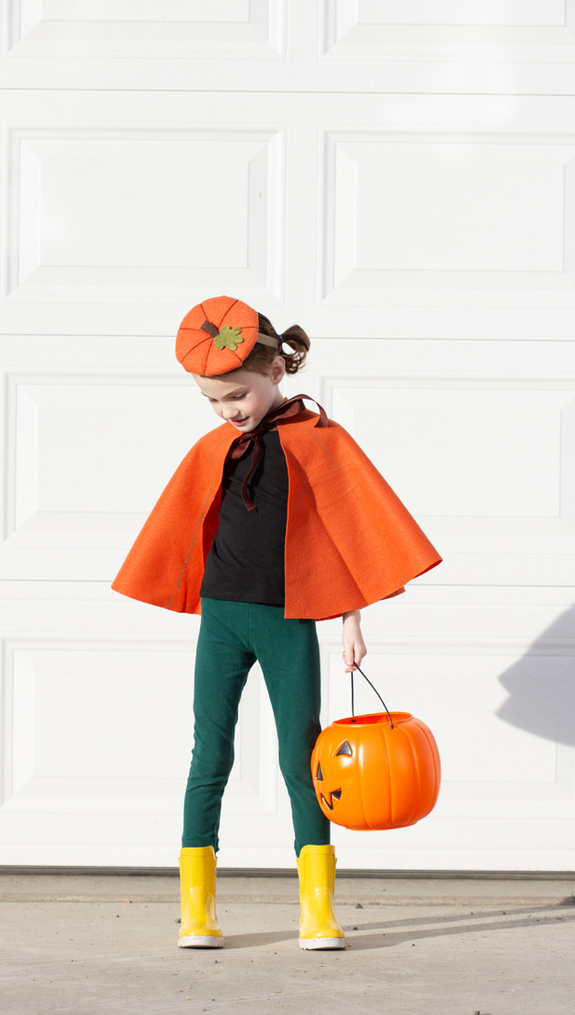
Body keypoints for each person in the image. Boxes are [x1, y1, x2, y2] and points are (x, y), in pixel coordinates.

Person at [112, 296, 441, 950]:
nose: (228, 410)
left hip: (289, 619)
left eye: (238, 394)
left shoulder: (320, 442)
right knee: (211, 754)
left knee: (303, 759)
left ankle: (317, 911)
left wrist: (351, 619)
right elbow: (186, 526)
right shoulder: (216, 448)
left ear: (277, 372)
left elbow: (349, 532)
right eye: (212, 401)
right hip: (223, 617)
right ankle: (195, 911)